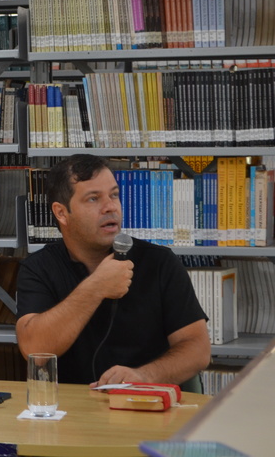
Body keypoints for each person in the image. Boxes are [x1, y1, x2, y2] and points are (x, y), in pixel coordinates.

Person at [15, 154, 210, 386]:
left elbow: (198, 350)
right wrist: (95, 287)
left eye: (114, 195)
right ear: (61, 213)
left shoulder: (160, 262)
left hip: (144, 400)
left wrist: (145, 376)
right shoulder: (38, 268)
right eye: (93, 199)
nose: (110, 207)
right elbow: (34, 351)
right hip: (72, 403)